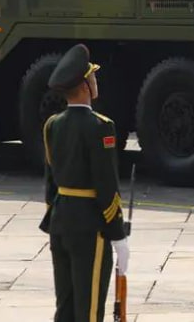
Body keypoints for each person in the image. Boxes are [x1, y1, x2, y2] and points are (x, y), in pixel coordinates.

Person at [38, 44, 130, 322]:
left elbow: (50, 185)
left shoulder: (52, 125)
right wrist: (118, 234)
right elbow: (106, 185)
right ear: (85, 86)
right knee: (89, 311)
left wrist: (57, 217)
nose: (96, 80)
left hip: (60, 224)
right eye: (93, 77)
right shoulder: (100, 126)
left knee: (65, 309)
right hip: (89, 227)